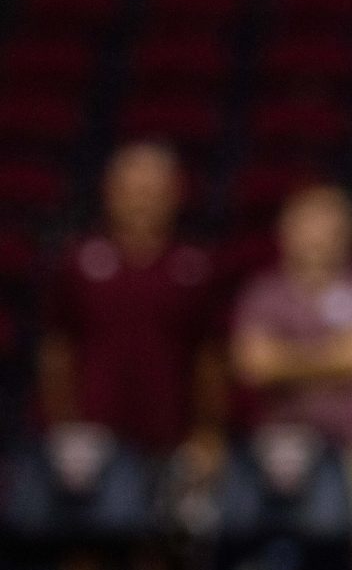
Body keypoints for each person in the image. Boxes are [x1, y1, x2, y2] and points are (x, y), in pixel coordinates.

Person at [38, 141, 222, 458]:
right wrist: (61, 426)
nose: (142, 202)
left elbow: (210, 357)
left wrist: (208, 432)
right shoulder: (78, 261)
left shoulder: (196, 268)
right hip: (90, 437)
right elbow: (57, 350)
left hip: (171, 436)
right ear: (110, 193)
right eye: (133, 191)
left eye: (153, 192)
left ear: (175, 195)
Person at [230, 183, 352, 529]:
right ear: (286, 232)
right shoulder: (263, 292)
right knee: (246, 530)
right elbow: (254, 364)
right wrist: (336, 357)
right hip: (274, 447)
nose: (318, 237)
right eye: (308, 225)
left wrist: (286, 360)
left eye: (329, 226)